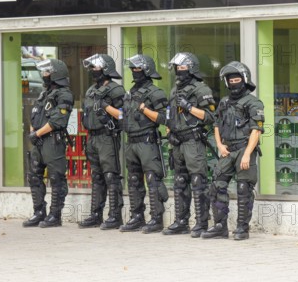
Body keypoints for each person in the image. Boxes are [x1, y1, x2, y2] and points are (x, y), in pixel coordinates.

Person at [202, 61, 264, 240]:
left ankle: (242, 228)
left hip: (245, 149)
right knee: (217, 185)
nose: (234, 82)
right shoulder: (224, 102)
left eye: (237, 79)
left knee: (244, 188)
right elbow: (216, 124)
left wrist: (247, 153)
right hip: (227, 150)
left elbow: (256, 130)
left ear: (244, 79)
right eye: (231, 80)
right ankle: (220, 226)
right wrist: (220, 145)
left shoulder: (253, 102)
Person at [163, 52, 215, 238]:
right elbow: (169, 114)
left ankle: (201, 223)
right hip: (177, 141)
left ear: (191, 68)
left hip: (193, 140)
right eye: (177, 68)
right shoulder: (174, 90)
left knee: (198, 181)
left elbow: (210, 117)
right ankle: (181, 221)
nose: (179, 71)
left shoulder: (201, 89)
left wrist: (189, 107)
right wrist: (169, 133)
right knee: (179, 181)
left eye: (183, 67)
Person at [118, 54, 169, 233]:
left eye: (138, 69)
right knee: (133, 180)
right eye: (132, 69)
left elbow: (164, 118)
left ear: (146, 70)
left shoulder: (156, 93)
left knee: (152, 179)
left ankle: (156, 218)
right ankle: (137, 216)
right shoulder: (129, 93)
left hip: (147, 141)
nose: (134, 72)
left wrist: (145, 109)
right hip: (131, 141)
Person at [22, 59, 73, 228]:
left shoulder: (64, 94)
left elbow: (58, 120)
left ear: (56, 74)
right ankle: (39, 212)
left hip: (52, 141)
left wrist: (37, 133)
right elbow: (35, 114)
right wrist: (33, 131)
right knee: (34, 176)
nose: (44, 75)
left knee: (56, 178)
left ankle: (55, 215)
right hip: (38, 141)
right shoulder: (44, 93)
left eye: (47, 72)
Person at [79, 54, 126, 230]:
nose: (93, 71)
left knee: (110, 175)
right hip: (92, 137)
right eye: (91, 68)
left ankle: (115, 216)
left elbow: (123, 115)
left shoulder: (116, 90)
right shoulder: (91, 90)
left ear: (105, 69)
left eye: (96, 68)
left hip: (107, 136)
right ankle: (95, 214)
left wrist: (106, 107)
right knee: (97, 176)